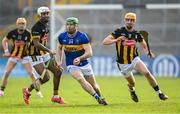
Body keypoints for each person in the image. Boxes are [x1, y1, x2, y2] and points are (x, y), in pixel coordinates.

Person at [102, 12, 168, 102]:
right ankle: (132, 91)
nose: (129, 22)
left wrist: (149, 52)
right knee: (132, 83)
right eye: (128, 20)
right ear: (125, 21)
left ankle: (159, 93)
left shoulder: (137, 34)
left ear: (134, 22)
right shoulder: (118, 32)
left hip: (134, 59)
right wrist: (117, 39)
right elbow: (105, 41)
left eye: (132, 20)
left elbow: (144, 46)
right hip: (123, 63)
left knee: (147, 73)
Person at [58, 17, 107, 105]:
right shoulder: (62, 36)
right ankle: (97, 97)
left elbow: (89, 53)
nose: (68, 27)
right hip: (71, 64)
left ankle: (100, 97)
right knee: (80, 79)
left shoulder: (82, 36)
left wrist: (80, 58)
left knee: (94, 86)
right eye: (67, 24)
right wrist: (60, 61)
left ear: (76, 26)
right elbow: (59, 48)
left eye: (71, 25)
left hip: (84, 64)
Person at [22, 6, 64, 105]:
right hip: (34, 54)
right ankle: (27, 90)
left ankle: (55, 96)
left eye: (47, 13)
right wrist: (49, 50)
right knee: (46, 78)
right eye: (43, 14)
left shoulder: (46, 25)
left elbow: (43, 42)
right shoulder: (36, 27)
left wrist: (48, 53)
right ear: (39, 15)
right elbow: (36, 44)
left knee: (58, 72)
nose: (46, 15)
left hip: (43, 53)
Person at [0, 18, 43, 98]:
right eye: (20, 23)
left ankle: (38, 91)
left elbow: (35, 44)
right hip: (14, 55)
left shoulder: (28, 33)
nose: (21, 25)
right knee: (6, 72)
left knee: (32, 74)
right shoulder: (12, 33)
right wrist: (6, 50)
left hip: (25, 56)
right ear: (17, 24)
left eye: (23, 23)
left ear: (25, 24)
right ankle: (1, 90)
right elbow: (4, 40)